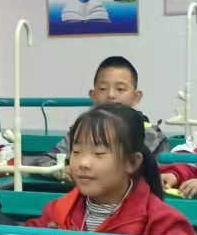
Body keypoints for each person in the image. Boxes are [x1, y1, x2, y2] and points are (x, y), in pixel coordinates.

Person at [0, 104, 197, 235]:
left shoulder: (158, 218)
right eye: (77, 151)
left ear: (132, 163)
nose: (83, 163)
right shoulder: (60, 210)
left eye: (98, 154)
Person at [25, 56, 167, 171]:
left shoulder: (154, 138)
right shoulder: (81, 132)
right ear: (93, 95)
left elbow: (163, 176)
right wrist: (63, 171)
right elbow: (44, 161)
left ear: (136, 97)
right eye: (103, 88)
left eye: (120, 89)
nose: (111, 95)